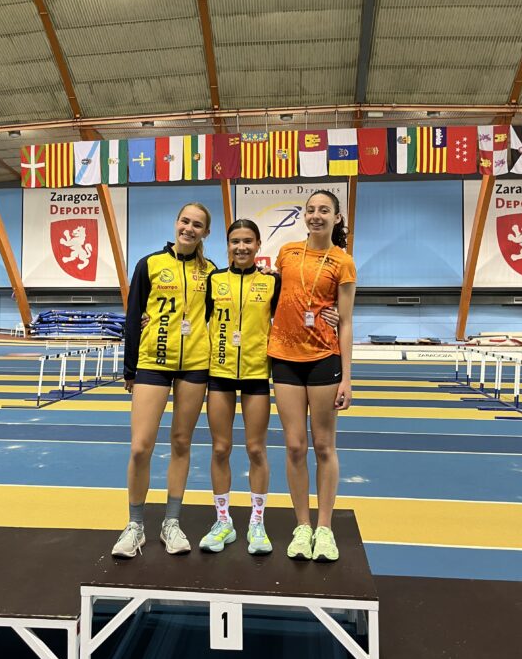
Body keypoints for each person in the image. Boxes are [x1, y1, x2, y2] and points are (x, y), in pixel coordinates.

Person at [112, 203, 215, 558]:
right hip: (152, 363)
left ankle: (171, 522)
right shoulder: (149, 264)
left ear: (205, 232)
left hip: (195, 365)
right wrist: (129, 369)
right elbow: (133, 316)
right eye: (185, 221)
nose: (189, 228)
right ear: (176, 223)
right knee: (140, 446)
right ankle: (135, 525)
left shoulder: (211, 272)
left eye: (197, 224)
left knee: (181, 443)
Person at [267, 189, 356, 562]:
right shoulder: (286, 252)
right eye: (311, 209)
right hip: (284, 358)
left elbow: (346, 322)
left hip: (323, 358)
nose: (316, 215)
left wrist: (347, 378)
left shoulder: (343, 262)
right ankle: (302, 526)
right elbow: (274, 297)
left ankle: (325, 528)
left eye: (324, 210)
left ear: (337, 217)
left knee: (323, 446)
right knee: (294, 446)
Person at [200, 219, 280, 556]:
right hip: (219, 373)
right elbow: (194, 316)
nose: (241, 247)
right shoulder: (214, 279)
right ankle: (223, 521)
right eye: (235, 241)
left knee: (256, 450)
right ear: (228, 245)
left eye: (248, 241)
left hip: (256, 373)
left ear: (258, 245)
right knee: (220, 449)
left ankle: (257, 523)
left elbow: (290, 316)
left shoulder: (273, 281)